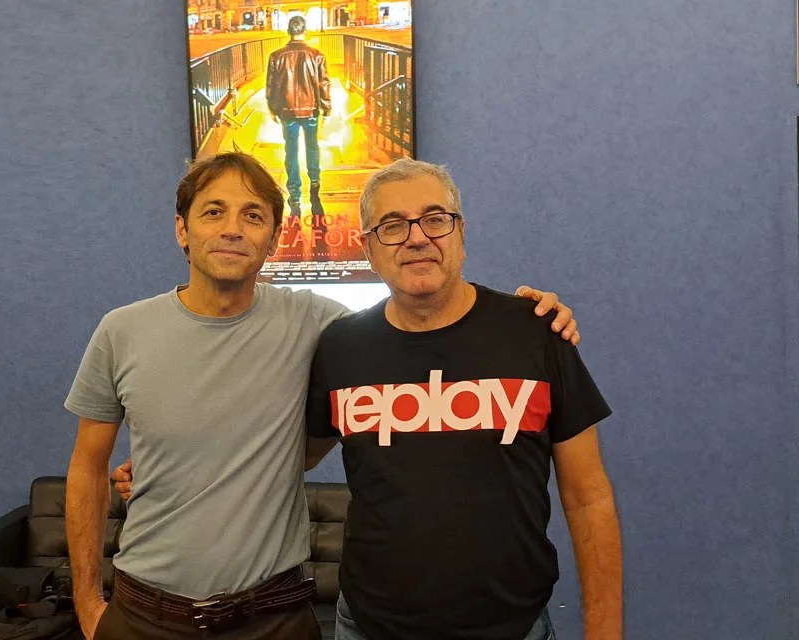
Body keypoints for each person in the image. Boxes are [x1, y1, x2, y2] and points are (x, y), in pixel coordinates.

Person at [66, 151, 579, 640]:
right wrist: (87, 602)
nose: (232, 229)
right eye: (213, 211)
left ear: (273, 238)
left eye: (253, 215)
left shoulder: (321, 325)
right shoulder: (120, 332)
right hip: (143, 613)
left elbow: (416, 317)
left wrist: (531, 315)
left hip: (273, 617)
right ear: (182, 228)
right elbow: (87, 468)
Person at [304, 159, 623, 640]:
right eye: (392, 226)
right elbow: (293, 456)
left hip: (514, 627)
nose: (417, 238)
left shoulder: (536, 333)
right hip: (369, 626)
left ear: (461, 232)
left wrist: (605, 632)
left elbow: (589, 498)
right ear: (368, 248)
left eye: (435, 219)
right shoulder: (340, 347)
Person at [265, 15, 331, 217]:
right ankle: (315, 182)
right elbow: (323, 84)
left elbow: (271, 86)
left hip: (287, 112)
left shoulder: (276, 56)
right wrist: (326, 108)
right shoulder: (316, 55)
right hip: (311, 110)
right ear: (305, 30)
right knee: (312, 147)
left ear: (288, 31)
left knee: (291, 151)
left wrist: (273, 108)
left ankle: (294, 194)